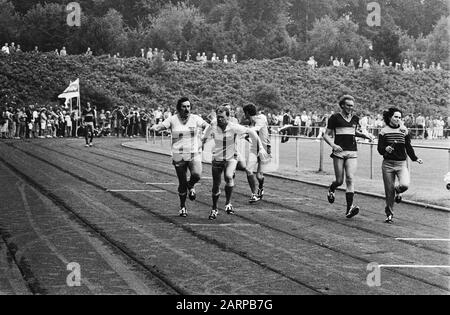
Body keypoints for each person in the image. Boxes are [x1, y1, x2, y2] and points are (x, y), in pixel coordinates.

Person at [201, 106, 266, 220]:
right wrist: (202, 142)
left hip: (231, 158)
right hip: (217, 158)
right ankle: (214, 208)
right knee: (216, 185)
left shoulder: (234, 127)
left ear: (228, 117)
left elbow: (252, 132)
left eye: (222, 117)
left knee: (229, 176)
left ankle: (228, 203)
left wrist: (260, 148)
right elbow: (206, 134)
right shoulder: (213, 125)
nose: (220, 119)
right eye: (218, 117)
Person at [150, 97, 209, 217]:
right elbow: (161, 126)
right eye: (184, 107)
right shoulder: (172, 120)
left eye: (188, 106)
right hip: (178, 155)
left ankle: (191, 185)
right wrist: (155, 127)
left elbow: (206, 126)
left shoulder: (195, 118)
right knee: (182, 183)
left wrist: (207, 134)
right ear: (179, 108)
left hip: (193, 153)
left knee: (196, 175)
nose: (187, 109)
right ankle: (182, 206)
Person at [322, 95, 375, 219]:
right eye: (348, 105)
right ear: (342, 105)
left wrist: (365, 136)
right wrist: (333, 145)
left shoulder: (355, 118)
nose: (351, 108)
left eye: (352, 106)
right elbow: (326, 135)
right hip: (339, 152)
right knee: (339, 181)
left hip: (352, 151)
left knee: (350, 178)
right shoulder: (334, 118)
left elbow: (353, 132)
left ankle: (349, 209)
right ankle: (332, 188)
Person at [377, 108, 423, 223]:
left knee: (405, 185)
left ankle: (397, 191)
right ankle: (389, 214)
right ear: (390, 118)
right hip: (387, 165)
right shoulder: (384, 131)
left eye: (399, 117)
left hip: (401, 164)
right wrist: (385, 149)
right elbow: (380, 149)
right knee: (388, 192)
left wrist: (415, 158)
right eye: (396, 117)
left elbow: (408, 146)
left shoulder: (404, 130)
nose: (398, 119)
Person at [242, 103, 271, 202]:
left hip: (264, 148)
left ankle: (261, 188)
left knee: (259, 175)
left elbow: (256, 129)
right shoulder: (250, 123)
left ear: (246, 113)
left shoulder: (261, 118)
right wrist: (247, 136)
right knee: (248, 170)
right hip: (254, 149)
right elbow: (251, 134)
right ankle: (254, 194)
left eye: (244, 113)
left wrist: (246, 131)